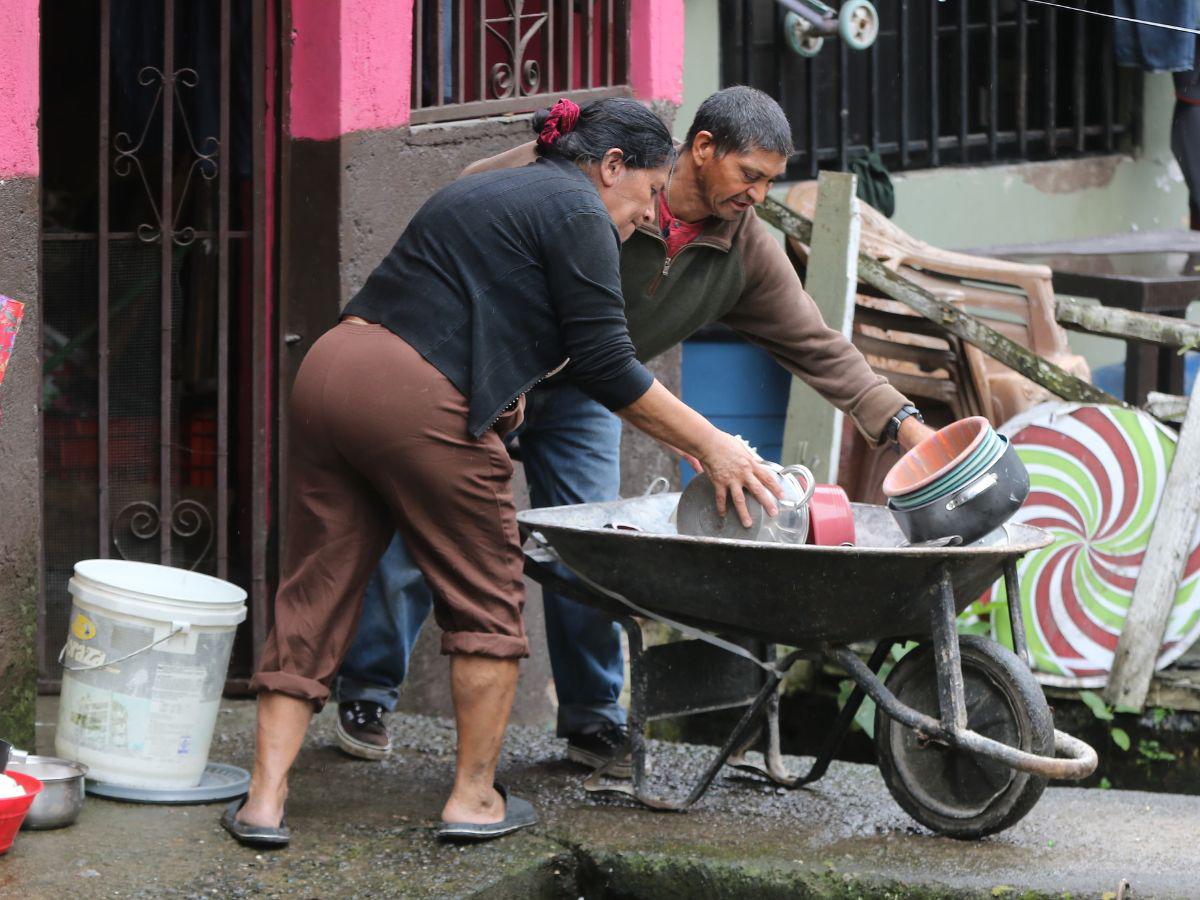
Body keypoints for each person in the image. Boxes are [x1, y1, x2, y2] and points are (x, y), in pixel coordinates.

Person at [220, 96, 785, 848]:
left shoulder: (484, 189)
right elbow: (607, 366)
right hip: (415, 399)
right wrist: (714, 444)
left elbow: (465, 304)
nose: (649, 215)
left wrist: (503, 396)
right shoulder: (581, 211)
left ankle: (263, 801)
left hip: (331, 371)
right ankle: (474, 796)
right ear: (610, 166)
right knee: (487, 599)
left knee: (317, 588)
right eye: (649, 192)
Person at [331, 87, 936, 773]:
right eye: (750, 175)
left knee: (591, 550)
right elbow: (473, 198)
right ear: (702, 149)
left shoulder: (743, 250)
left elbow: (817, 344)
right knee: (426, 526)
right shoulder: (595, 175)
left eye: (772, 180)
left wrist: (906, 424)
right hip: (490, 371)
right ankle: (369, 691)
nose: (760, 195)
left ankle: (593, 719)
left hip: (594, 397)